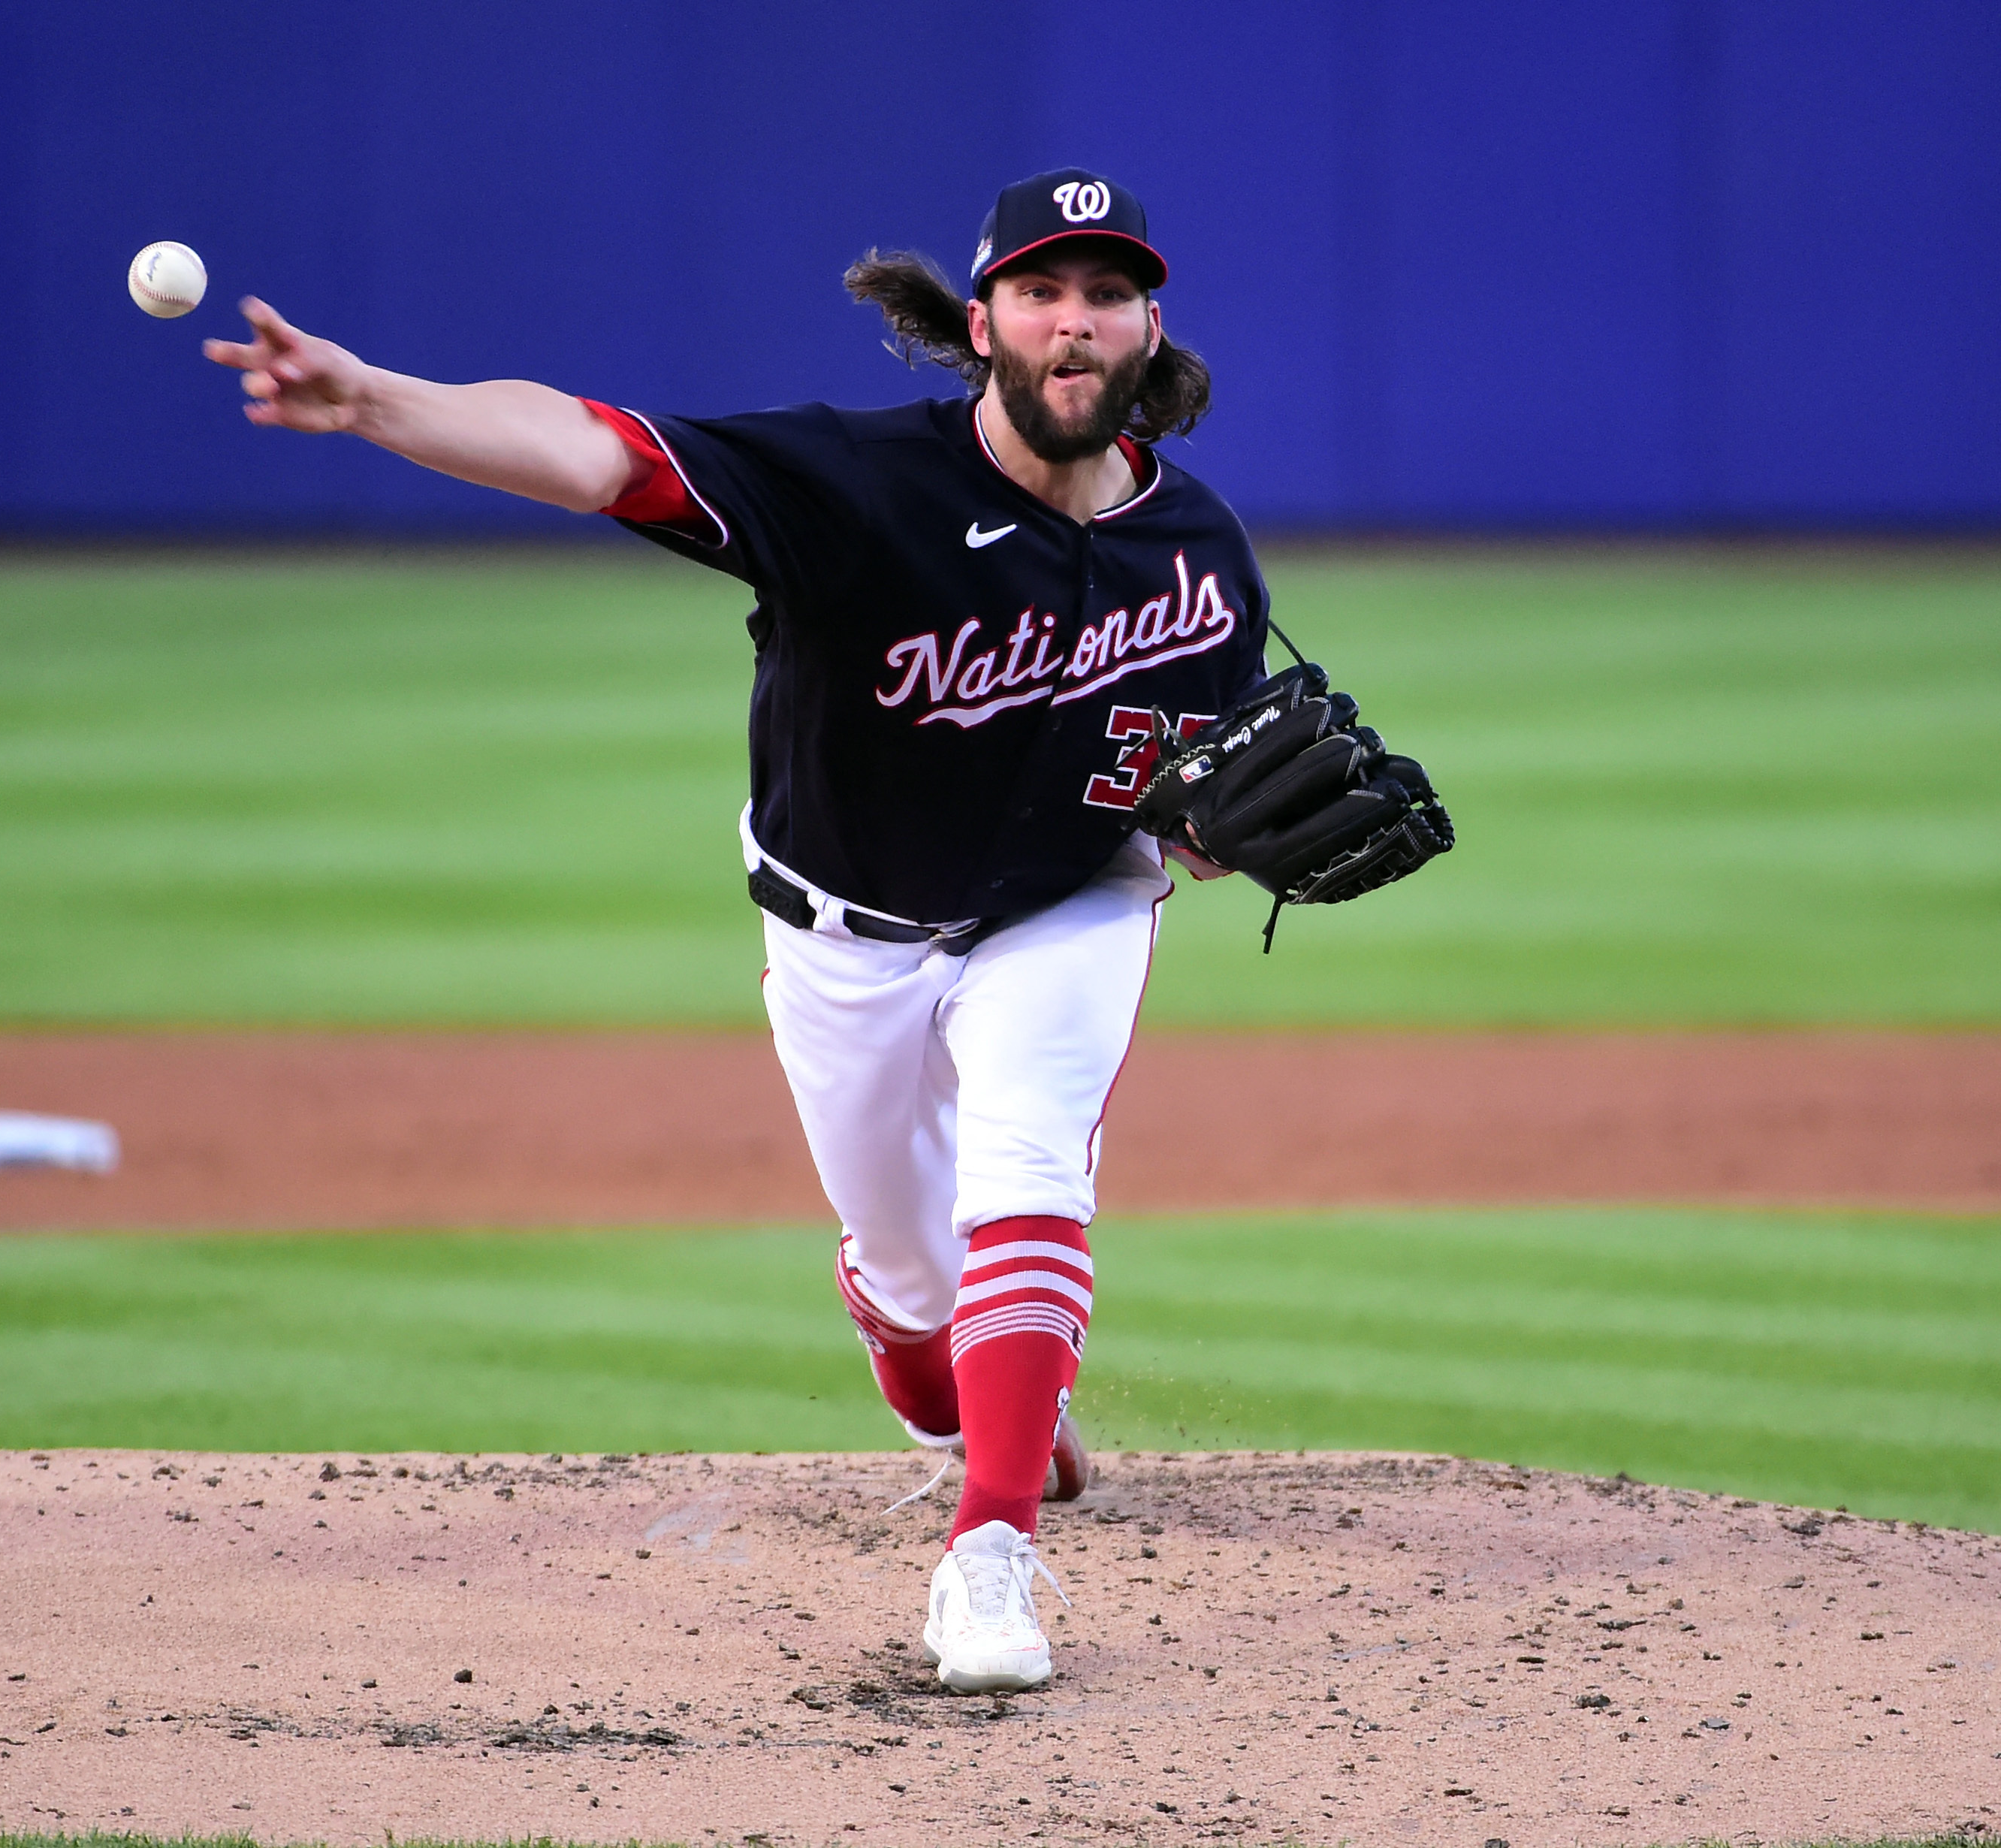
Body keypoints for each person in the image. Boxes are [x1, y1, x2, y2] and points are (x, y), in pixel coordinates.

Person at [204, 168, 1270, 1692]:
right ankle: (956, 1397)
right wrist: (379, 399)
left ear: (1147, 327)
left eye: (1106, 293)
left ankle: (990, 1550)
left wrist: (1216, 837)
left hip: (1063, 908)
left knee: (1028, 1159)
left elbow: (1179, 808)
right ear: (983, 326)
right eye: (1042, 290)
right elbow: (597, 453)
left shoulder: (1203, 553)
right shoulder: (855, 483)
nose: (1074, 320)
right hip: (843, 930)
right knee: (910, 1283)